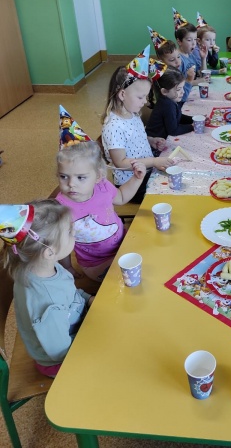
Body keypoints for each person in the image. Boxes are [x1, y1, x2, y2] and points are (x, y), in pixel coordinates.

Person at [0, 200, 94, 377]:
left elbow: (68, 292)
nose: (74, 233)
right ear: (49, 252)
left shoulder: (39, 266)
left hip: (68, 323)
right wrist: (94, 334)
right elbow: (60, 352)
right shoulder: (48, 303)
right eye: (69, 231)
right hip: (61, 360)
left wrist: (87, 298)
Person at [56, 140, 146, 281]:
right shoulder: (60, 208)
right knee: (127, 279)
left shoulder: (102, 186)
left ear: (98, 176)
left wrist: (137, 179)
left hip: (124, 243)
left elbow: (121, 197)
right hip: (96, 263)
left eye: (80, 177)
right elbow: (62, 242)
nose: (71, 184)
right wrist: (67, 267)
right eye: (63, 176)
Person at [101, 47, 173, 203]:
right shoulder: (113, 127)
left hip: (146, 170)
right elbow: (120, 162)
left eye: (146, 97)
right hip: (131, 184)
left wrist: (151, 140)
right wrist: (153, 161)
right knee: (169, 193)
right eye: (141, 97)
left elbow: (136, 138)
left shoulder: (132, 113)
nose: (145, 102)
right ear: (122, 94)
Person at [145, 68, 194, 139]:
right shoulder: (167, 105)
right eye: (178, 89)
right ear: (164, 91)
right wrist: (192, 127)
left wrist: (194, 119)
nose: (183, 92)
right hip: (156, 142)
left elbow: (177, 116)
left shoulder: (169, 100)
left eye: (182, 88)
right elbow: (173, 131)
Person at [150, 31, 195, 105]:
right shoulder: (167, 77)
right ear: (162, 62)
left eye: (178, 56)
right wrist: (189, 80)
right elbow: (182, 98)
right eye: (172, 60)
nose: (178, 62)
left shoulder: (177, 68)